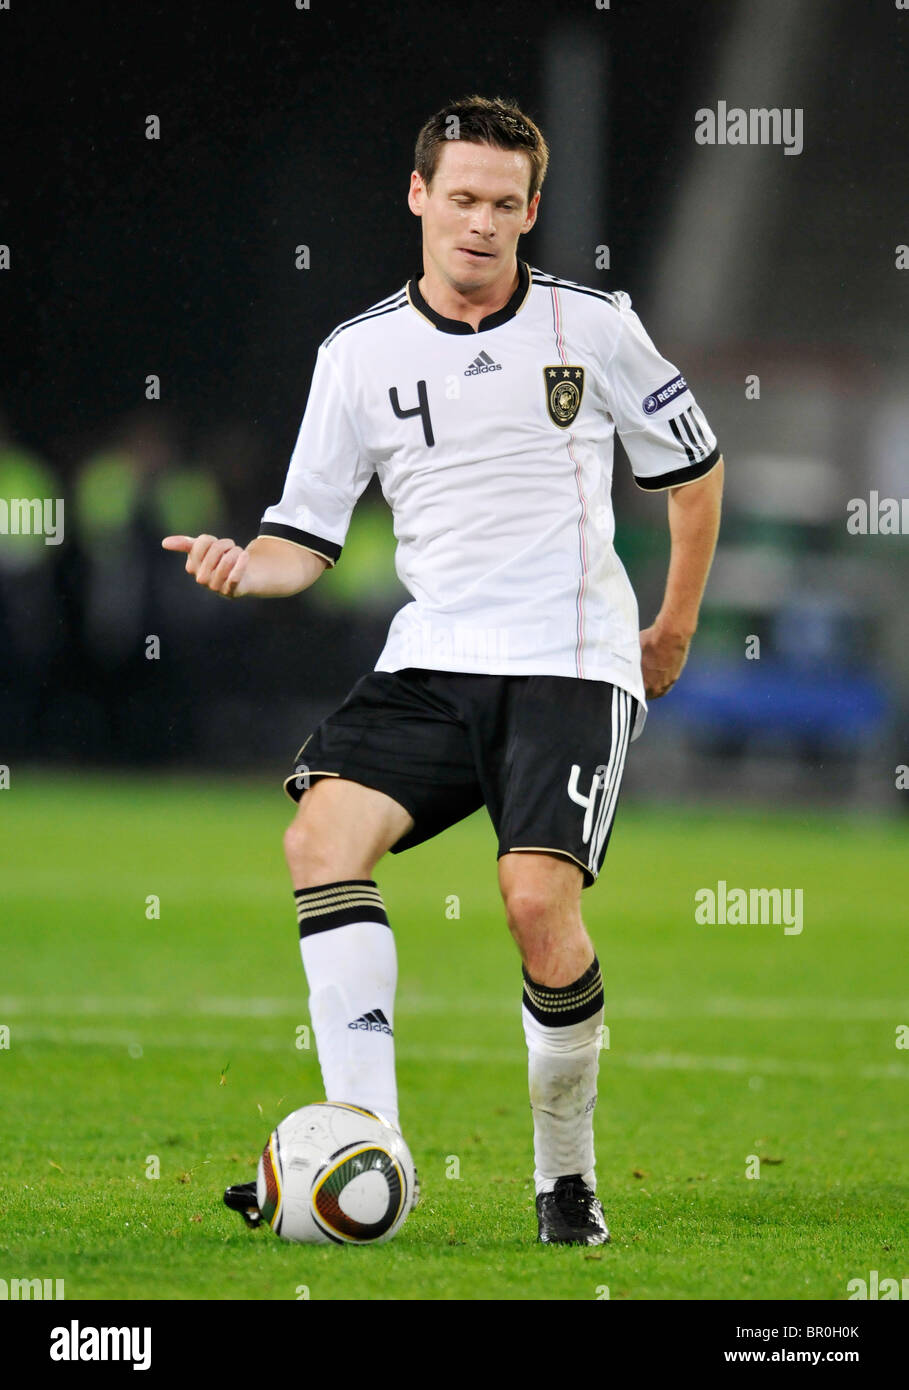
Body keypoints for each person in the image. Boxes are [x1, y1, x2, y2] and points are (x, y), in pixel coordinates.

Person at [163, 95, 724, 1245]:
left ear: (532, 211)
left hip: (572, 658)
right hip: (435, 657)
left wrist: (670, 629)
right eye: (461, 197)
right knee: (320, 838)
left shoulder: (592, 327)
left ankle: (565, 1179)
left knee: (535, 906)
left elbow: (695, 468)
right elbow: (304, 536)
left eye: (504, 205)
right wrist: (244, 566)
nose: (481, 222)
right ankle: (372, 1140)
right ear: (419, 196)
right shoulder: (358, 354)